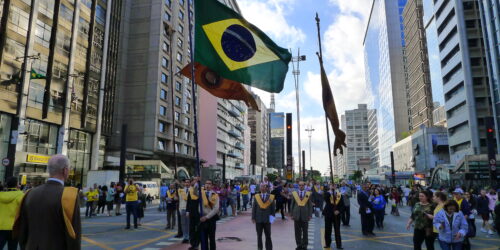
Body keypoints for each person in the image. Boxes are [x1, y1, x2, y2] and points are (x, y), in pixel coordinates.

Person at [13, 154, 81, 250]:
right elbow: (74, 235)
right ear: (65, 170)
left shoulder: (29, 193)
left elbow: (22, 230)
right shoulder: (69, 196)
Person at [0, 177, 24, 250]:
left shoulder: (1, 195)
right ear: (17, 184)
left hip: (1, 226)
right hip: (14, 227)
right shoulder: (21, 195)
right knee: (12, 248)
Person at [252, 183, 275, 250]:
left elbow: (273, 209)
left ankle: (269, 248)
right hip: (258, 219)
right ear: (260, 188)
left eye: (264, 187)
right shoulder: (256, 197)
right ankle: (259, 248)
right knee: (259, 235)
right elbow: (254, 208)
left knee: (268, 235)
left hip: (267, 220)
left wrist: (272, 219)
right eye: (261, 187)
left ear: (267, 188)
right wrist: (253, 217)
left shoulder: (271, 197)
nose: (263, 188)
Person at [291, 181, 313, 250]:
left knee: (305, 231)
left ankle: (305, 245)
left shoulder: (308, 194)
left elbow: (310, 205)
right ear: (298, 186)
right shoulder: (294, 194)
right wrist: (292, 214)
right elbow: (292, 204)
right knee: (297, 232)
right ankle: (299, 245)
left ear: (304, 186)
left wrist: (310, 215)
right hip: (296, 215)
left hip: (305, 215)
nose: (301, 186)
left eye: (302, 185)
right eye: (300, 185)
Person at [199, 179, 220, 250]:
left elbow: (216, 209)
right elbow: (198, 206)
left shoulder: (215, 195)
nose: (207, 185)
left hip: (211, 219)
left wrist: (207, 217)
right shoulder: (201, 194)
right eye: (206, 183)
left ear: (212, 186)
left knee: (211, 238)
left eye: (209, 184)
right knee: (203, 238)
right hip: (202, 218)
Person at [323, 183, 344, 249]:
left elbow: (342, 205)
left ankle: (339, 245)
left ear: (336, 186)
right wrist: (330, 192)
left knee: (337, 230)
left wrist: (339, 211)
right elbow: (326, 199)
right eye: (331, 185)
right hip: (328, 214)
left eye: (334, 185)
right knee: (327, 230)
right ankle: (327, 244)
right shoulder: (327, 193)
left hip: (336, 215)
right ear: (329, 186)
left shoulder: (339, 194)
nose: (333, 186)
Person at [178, 179, 191, 243]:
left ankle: (189, 237)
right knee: (183, 224)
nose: (186, 183)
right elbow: (180, 200)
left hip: (189, 210)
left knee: (189, 224)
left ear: (190, 183)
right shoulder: (181, 191)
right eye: (185, 182)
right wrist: (179, 209)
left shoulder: (192, 190)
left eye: (188, 182)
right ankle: (185, 237)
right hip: (182, 209)